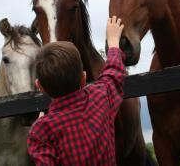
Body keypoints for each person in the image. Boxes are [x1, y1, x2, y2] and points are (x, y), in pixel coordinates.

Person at [27, 16, 126, 165]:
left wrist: (41, 127)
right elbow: (113, 73)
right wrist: (113, 43)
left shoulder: (41, 131)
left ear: (39, 86)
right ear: (83, 78)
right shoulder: (100, 98)